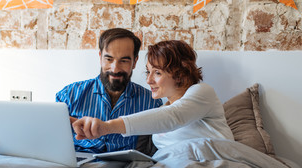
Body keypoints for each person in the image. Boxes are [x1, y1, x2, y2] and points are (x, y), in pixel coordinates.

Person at [0, 28, 162, 154]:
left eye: (124, 60)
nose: (115, 68)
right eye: (109, 59)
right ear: (100, 57)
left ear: (135, 61)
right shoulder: (69, 95)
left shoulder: (150, 101)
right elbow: (45, 136)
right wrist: (5, 144)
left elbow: (158, 148)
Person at [72, 40, 234, 150]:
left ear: (180, 74)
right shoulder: (161, 109)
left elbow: (173, 117)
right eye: (148, 72)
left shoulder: (202, 92)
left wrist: (108, 127)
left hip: (212, 165)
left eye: (157, 72)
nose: (148, 80)